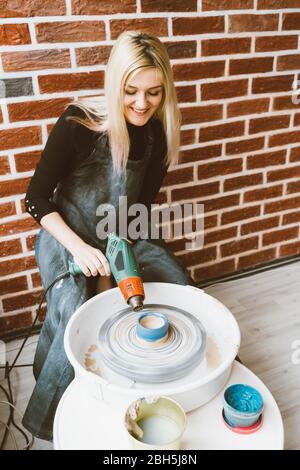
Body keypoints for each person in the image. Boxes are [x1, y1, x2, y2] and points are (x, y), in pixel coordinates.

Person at [22, 30, 197, 441]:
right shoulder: (77, 123)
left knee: (181, 285)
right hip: (66, 236)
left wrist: (116, 268)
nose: (141, 104)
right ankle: (50, 423)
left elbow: (140, 209)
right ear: (114, 82)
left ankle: (175, 391)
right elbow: (34, 200)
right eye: (130, 91)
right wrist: (82, 251)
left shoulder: (157, 134)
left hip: (123, 234)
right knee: (77, 311)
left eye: (154, 93)